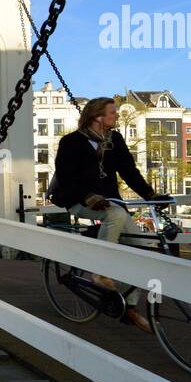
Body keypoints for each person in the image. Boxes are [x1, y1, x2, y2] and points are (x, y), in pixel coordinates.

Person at [51, 96, 169, 333]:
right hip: (79, 200)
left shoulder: (115, 139)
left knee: (141, 248)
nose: (116, 116)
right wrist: (87, 197)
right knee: (115, 215)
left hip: (111, 203)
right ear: (97, 117)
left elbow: (128, 171)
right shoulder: (71, 142)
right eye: (112, 112)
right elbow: (66, 177)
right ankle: (101, 270)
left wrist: (150, 194)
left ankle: (130, 307)